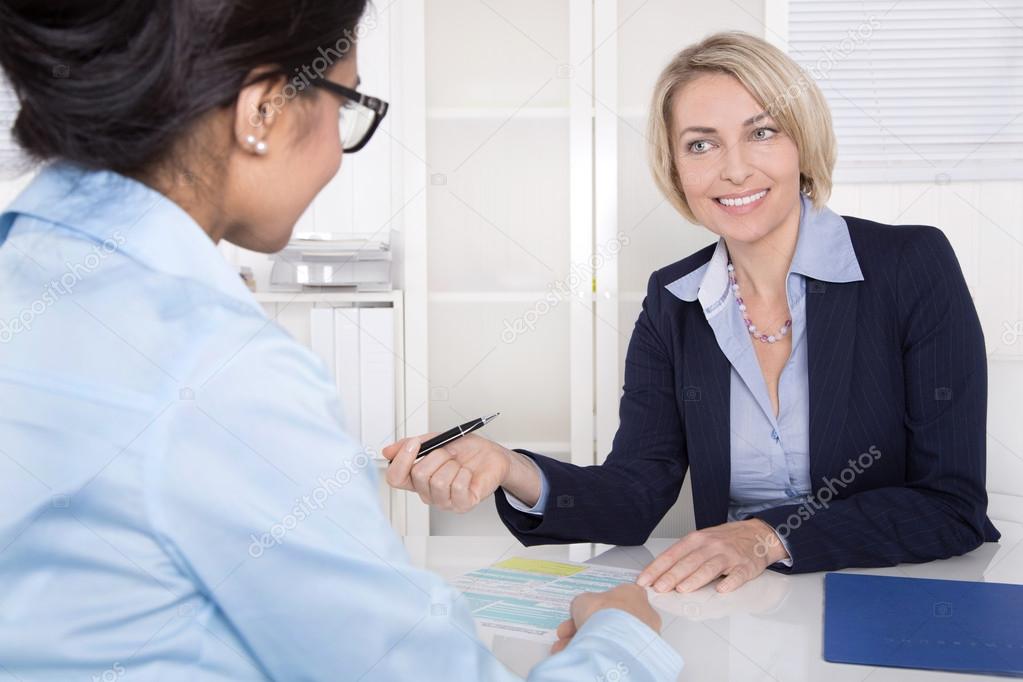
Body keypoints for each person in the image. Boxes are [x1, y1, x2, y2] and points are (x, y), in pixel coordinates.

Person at [0, 1, 683, 679]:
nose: (336, 152)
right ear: (262, 111)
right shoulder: (209, 363)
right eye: (345, 106)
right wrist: (623, 637)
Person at [385, 30, 1000, 595]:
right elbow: (633, 496)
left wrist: (767, 536)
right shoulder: (673, 301)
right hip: (738, 600)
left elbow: (951, 505)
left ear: (804, 145)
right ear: (677, 171)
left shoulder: (910, 264)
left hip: (892, 591)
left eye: (763, 132)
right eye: (701, 144)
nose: (734, 168)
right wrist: (510, 468)